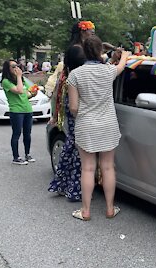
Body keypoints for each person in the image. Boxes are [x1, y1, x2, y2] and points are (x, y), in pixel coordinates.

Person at [67, 35, 130, 221]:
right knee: (108, 167)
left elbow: (73, 107)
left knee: (87, 168)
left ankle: (85, 211)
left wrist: (82, 116)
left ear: (84, 52)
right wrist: (124, 54)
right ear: (100, 51)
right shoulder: (108, 71)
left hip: (86, 125)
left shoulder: (75, 75)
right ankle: (110, 209)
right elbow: (121, 65)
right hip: (108, 124)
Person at [48, 21, 95, 202]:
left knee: (73, 144)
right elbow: (90, 68)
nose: (93, 34)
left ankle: (62, 183)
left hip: (77, 97)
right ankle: (74, 189)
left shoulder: (78, 48)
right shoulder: (77, 51)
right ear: (83, 32)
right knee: (78, 145)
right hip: (77, 98)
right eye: (91, 32)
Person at [0, 60, 37, 165]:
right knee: (16, 134)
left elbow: (25, 94)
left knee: (27, 134)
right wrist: (20, 76)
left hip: (27, 109)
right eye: (13, 66)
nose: (16, 68)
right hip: (16, 111)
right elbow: (19, 90)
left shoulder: (21, 80)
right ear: (8, 69)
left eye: (17, 65)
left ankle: (27, 154)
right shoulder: (6, 81)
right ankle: (16, 157)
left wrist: (33, 94)